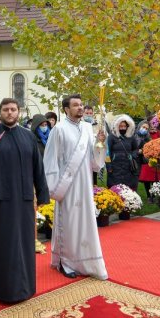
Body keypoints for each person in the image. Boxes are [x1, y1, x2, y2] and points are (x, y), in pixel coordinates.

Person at [0, 98, 50, 303]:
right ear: (0, 112)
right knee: (3, 245)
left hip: (23, 200)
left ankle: (24, 287)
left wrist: (42, 194)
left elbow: (38, 167)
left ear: (18, 112)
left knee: (25, 244)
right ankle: (2, 289)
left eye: (13, 109)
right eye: (5, 109)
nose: (9, 113)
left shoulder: (28, 136)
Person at [43, 94, 108, 280]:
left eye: (81, 105)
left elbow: (94, 161)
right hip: (67, 185)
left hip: (85, 182)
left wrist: (99, 143)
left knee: (86, 223)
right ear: (66, 109)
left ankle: (86, 262)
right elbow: (50, 159)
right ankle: (66, 262)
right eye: (75, 105)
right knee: (69, 223)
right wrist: (55, 187)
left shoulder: (87, 128)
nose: (80, 108)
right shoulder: (59, 129)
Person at [106, 114, 141, 191]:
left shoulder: (131, 137)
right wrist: (109, 166)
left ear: (127, 127)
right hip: (115, 167)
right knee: (115, 187)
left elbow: (136, 149)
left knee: (128, 188)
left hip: (128, 167)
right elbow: (107, 152)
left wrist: (132, 155)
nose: (122, 128)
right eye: (121, 126)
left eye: (124, 126)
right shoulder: (112, 137)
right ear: (117, 126)